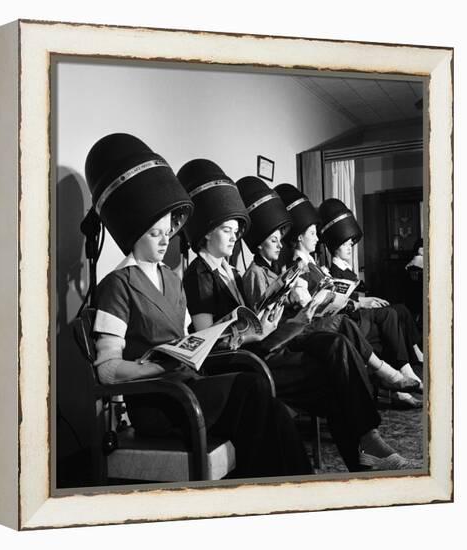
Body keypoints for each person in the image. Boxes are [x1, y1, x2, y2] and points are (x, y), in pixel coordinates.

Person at [85, 133, 313, 479]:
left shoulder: (173, 280)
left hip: (190, 384)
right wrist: (160, 369)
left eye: (167, 232)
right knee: (252, 391)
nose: (164, 241)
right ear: (133, 232)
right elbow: (108, 370)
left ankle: (296, 490)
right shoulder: (117, 285)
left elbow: (190, 338)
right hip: (160, 401)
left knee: (275, 410)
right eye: (154, 234)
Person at [179, 162, 417, 471]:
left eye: (236, 232)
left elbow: (248, 320)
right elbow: (206, 341)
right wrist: (253, 332)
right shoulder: (199, 273)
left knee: (336, 360)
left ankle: (367, 455)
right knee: (335, 362)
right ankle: (370, 449)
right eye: (227, 231)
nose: (234, 238)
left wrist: (277, 315)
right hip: (247, 361)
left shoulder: (231, 272)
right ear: (207, 232)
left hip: (262, 348)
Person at [275, 184, 420, 396]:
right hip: (325, 323)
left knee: (387, 316)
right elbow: (307, 306)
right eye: (313, 233)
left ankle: (398, 381)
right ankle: (395, 380)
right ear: (299, 238)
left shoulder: (313, 265)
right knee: (382, 317)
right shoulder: (296, 267)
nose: (318, 238)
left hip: (337, 316)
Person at [318, 198, 424, 407]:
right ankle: (404, 372)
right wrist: (362, 300)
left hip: (357, 311)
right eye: (346, 245)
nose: (350, 248)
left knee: (397, 310)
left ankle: (407, 367)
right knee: (391, 314)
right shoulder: (331, 271)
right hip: (350, 316)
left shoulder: (346, 269)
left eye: (351, 245)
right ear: (336, 246)